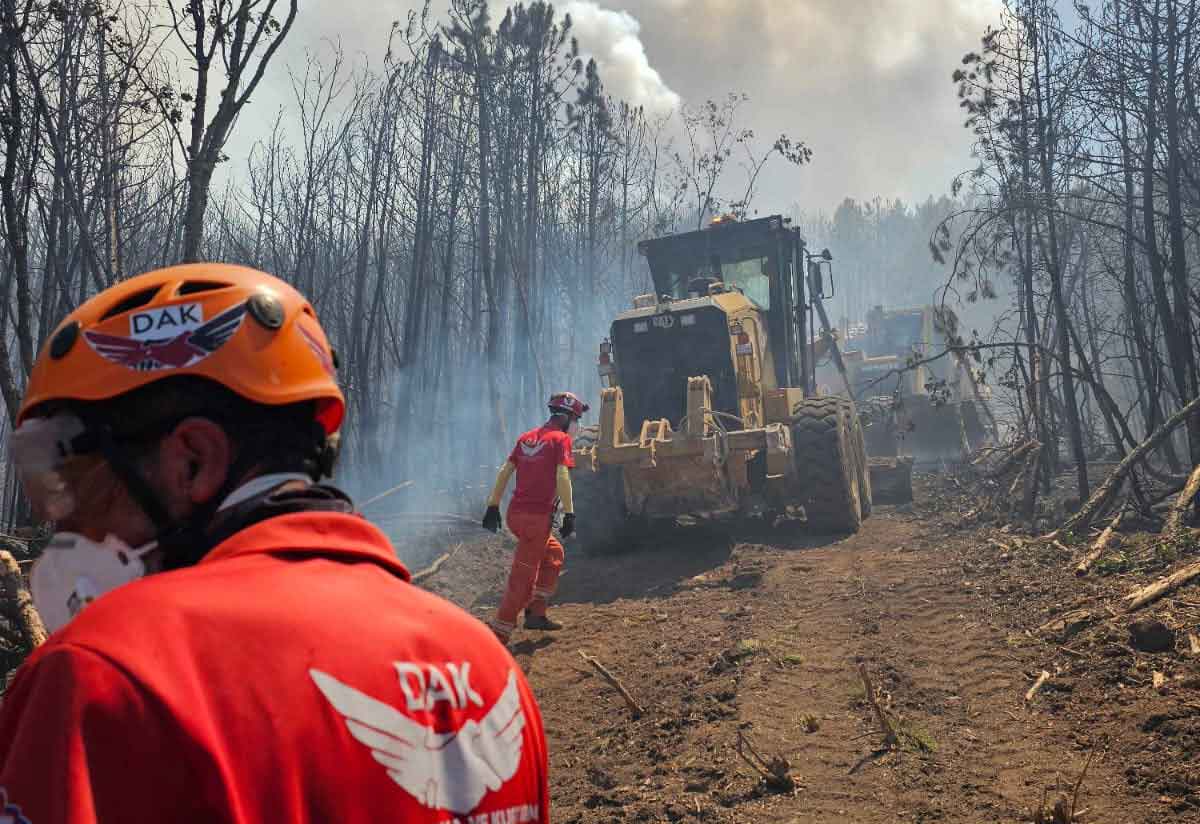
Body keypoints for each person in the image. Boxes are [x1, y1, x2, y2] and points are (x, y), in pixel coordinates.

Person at [0, 263, 550, 824]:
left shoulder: (104, 680)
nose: (67, 530)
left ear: (194, 460)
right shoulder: (487, 676)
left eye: (84, 486)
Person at [482, 392, 588, 644]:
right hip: (535, 520)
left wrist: (493, 506)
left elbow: (505, 471)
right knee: (522, 580)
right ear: (567, 418)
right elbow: (563, 476)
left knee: (553, 555)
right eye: (577, 418)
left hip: (515, 515)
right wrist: (570, 513)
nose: (578, 424)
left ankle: (536, 614)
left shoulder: (526, 438)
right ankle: (499, 635)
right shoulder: (561, 440)